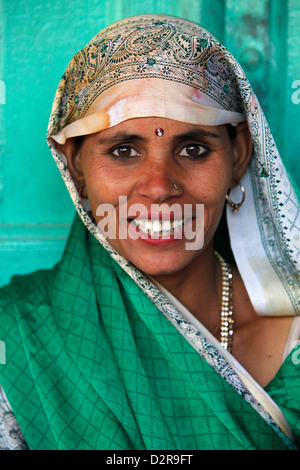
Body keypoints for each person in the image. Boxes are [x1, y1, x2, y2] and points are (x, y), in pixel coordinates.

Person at [0, 14, 299, 451]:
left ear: (237, 158)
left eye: (193, 149)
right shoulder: (18, 342)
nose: (159, 187)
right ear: (75, 166)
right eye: (124, 150)